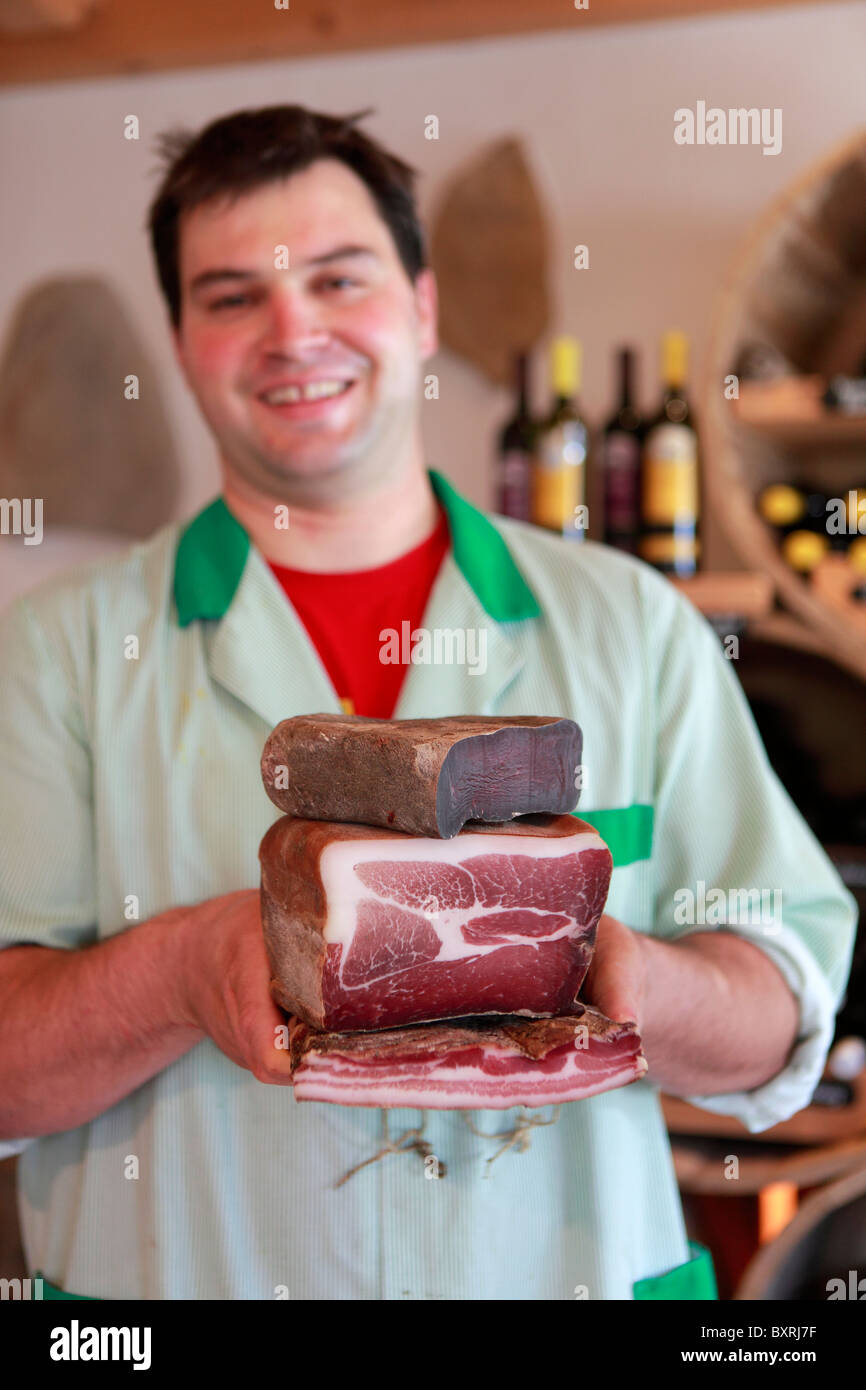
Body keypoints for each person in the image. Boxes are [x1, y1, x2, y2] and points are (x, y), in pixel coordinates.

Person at [0, 105, 856, 1302]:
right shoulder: (54, 654)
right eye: (232, 295)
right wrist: (181, 969)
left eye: (338, 278)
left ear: (421, 306)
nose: (292, 331)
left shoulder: (631, 623)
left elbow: (782, 999)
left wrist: (622, 979)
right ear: (184, 340)